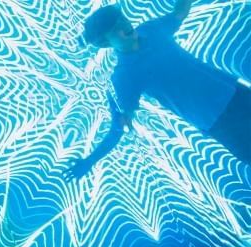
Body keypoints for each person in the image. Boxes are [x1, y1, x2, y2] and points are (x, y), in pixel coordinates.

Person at [66, 0, 250, 179]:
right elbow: (120, 126)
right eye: (116, 28)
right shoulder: (124, 77)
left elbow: (179, 12)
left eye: (122, 18)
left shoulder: (150, 30)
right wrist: (90, 160)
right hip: (219, 122)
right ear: (105, 43)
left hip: (236, 92)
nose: (124, 24)